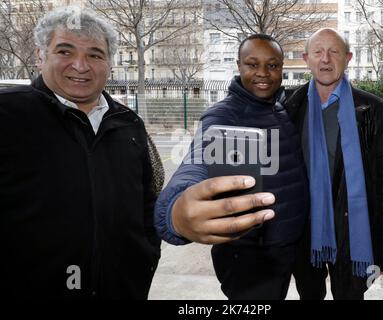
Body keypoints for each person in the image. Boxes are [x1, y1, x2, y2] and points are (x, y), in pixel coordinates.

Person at [0, 7, 162, 299]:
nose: (81, 65)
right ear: (40, 56)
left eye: (95, 55)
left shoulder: (129, 123)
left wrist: (145, 259)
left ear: (109, 63)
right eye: (65, 51)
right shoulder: (8, 114)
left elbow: (149, 202)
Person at [154, 34, 309, 300]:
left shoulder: (278, 109)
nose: (263, 73)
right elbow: (196, 163)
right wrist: (176, 211)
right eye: (252, 64)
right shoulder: (225, 115)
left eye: (272, 65)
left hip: (282, 249)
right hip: (249, 256)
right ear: (238, 65)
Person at [285, 28, 383, 300]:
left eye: (334, 52)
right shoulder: (289, 106)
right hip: (303, 231)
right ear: (306, 58)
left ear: (348, 57)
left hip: (354, 231)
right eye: (318, 52)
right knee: (309, 295)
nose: (326, 59)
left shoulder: (372, 110)